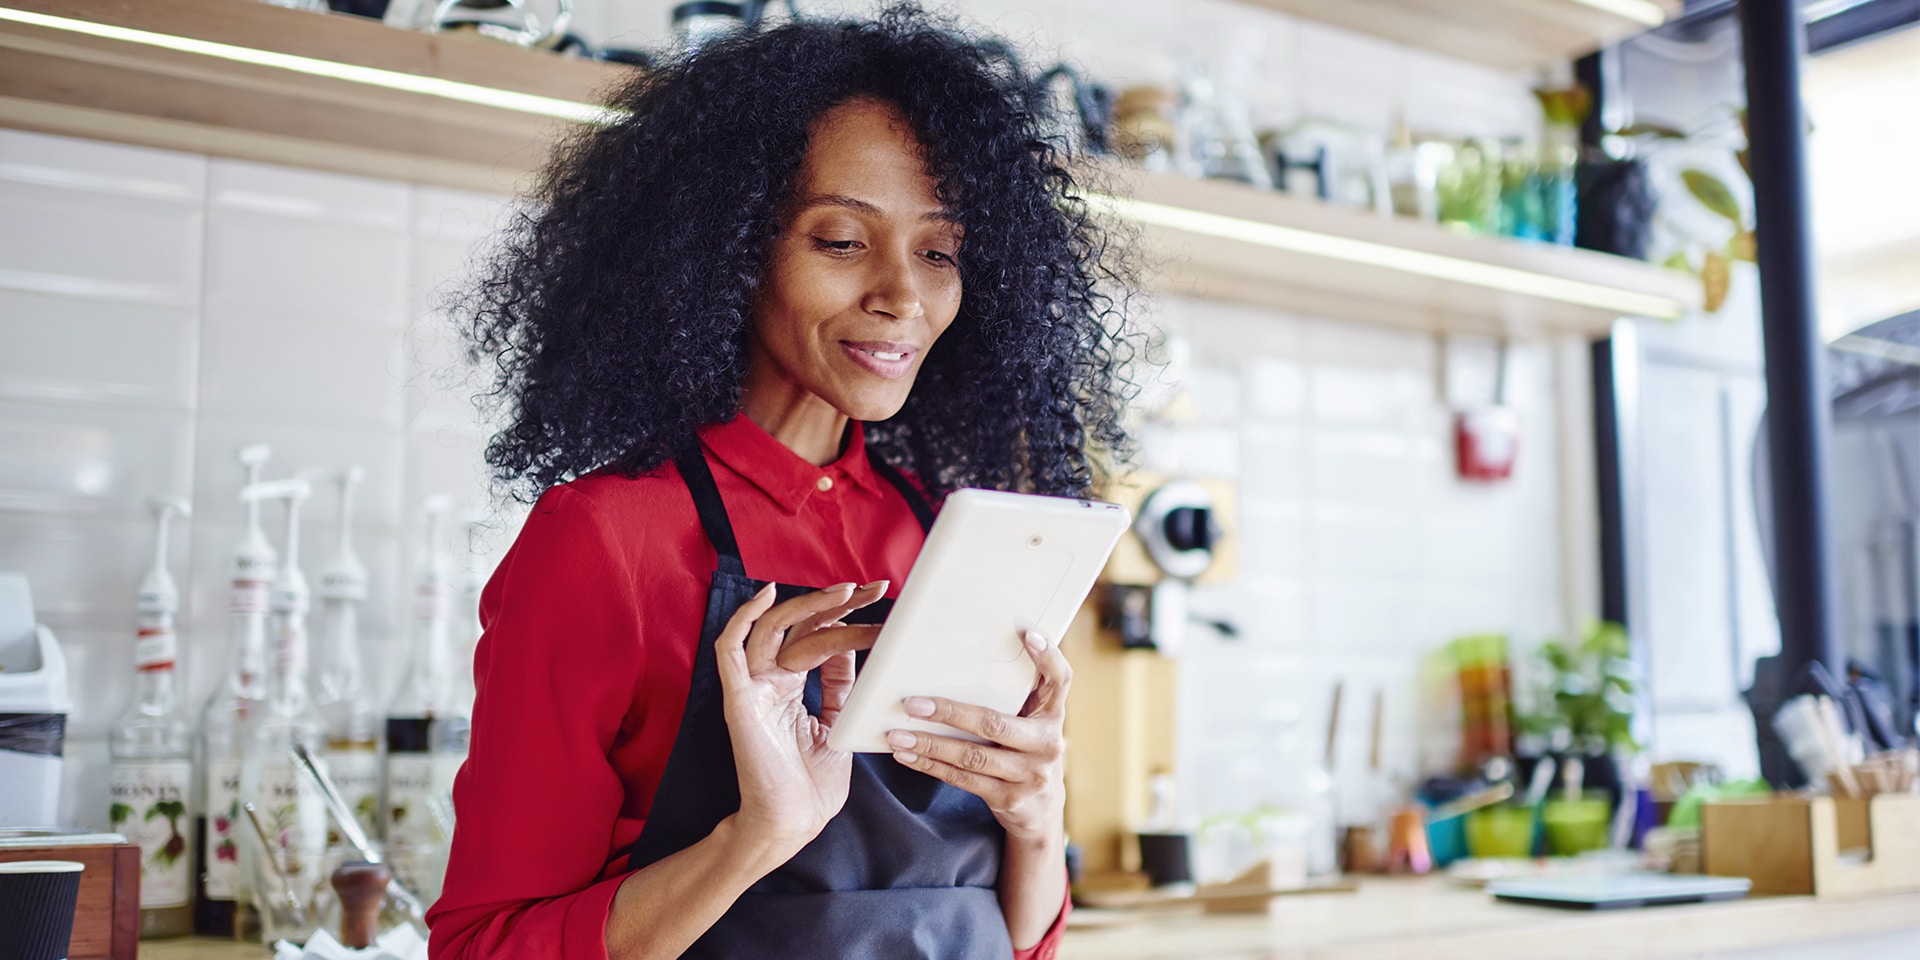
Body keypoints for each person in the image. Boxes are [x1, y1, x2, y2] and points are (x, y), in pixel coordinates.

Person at [427, 7, 1136, 959]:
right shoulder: (608, 540)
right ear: (728, 248)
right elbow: (484, 944)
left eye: (939, 251)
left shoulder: (947, 534)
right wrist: (756, 836)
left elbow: (1006, 938)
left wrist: (1036, 819)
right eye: (842, 240)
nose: (903, 295)